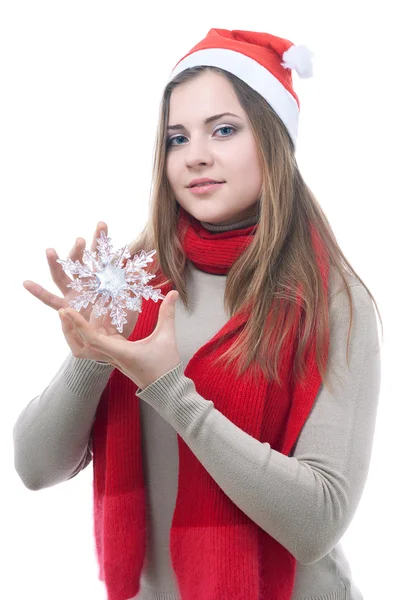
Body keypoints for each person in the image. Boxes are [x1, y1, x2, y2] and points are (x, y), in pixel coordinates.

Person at [13, 28, 383, 600]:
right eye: (177, 138)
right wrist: (90, 358)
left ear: (274, 139)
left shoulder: (333, 300)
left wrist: (170, 390)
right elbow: (36, 469)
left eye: (224, 130)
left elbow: (318, 520)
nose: (196, 156)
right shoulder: (133, 280)